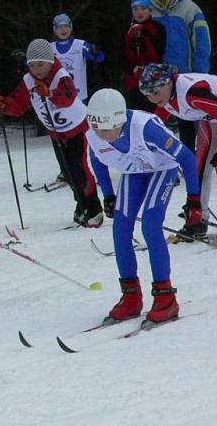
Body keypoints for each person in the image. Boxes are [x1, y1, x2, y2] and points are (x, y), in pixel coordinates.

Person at [85, 88, 200, 326]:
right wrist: (107, 195)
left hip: (162, 169)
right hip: (133, 172)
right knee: (120, 230)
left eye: (108, 130)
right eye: (97, 129)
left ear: (121, 121)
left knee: (150, 226)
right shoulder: (95, 134)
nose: (102, 135)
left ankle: (166, 298)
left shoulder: (145, 127)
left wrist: (194, 200)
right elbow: (97, 161)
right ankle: (131, 297)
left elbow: (187, 158)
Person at [0, 38, 103, 227]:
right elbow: (18, 104)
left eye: (41, 65)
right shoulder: (29, 80)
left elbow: (68, 98)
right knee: (68, 172)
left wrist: (50, 94)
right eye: (32, 65)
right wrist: (4, 105)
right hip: (56, 132)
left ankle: (94, 209)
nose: (37, 69)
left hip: (76, 127)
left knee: (79, 169)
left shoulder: (60, 75)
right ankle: (81, 206)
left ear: (50, 62)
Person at [139, 63, 217, 242]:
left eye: (155, 92)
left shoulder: (191, 93)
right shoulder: (165, 97)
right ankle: (197, 219)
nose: (153, 99)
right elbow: (156, 121)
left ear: (168, 83)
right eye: (148, 95)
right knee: (197, 168)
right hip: (212, 118)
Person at [149, 0, 211, 153]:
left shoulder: (190, 8)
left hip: (185, 76)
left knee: (188, 121)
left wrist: (201, 73)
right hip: (156, 79)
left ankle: (193, 158)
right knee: (157, 121)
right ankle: (162, 161)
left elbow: (202, 43)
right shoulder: (147, 10)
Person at [122, 0, 166, 112]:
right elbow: (120, 57)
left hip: (153, 79)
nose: (139, 12)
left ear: (149, 10)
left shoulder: (158, 28)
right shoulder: (126, 29)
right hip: (133, 81)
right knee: (136, 113)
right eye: (136, 9)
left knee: (153, 113)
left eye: (143, 8)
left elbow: (160, 53)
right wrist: (132, 69)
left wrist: (145, 36)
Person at [49, 13, 106, 102]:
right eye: (60, 27)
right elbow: (34, 63)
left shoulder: (80, 45)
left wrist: (95, 52)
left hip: (79, 98)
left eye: (66, 26)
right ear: (55, 29)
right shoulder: (49, 48)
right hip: (57, 98)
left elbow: (100, 57)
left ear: (70, 27)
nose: (63, 29)